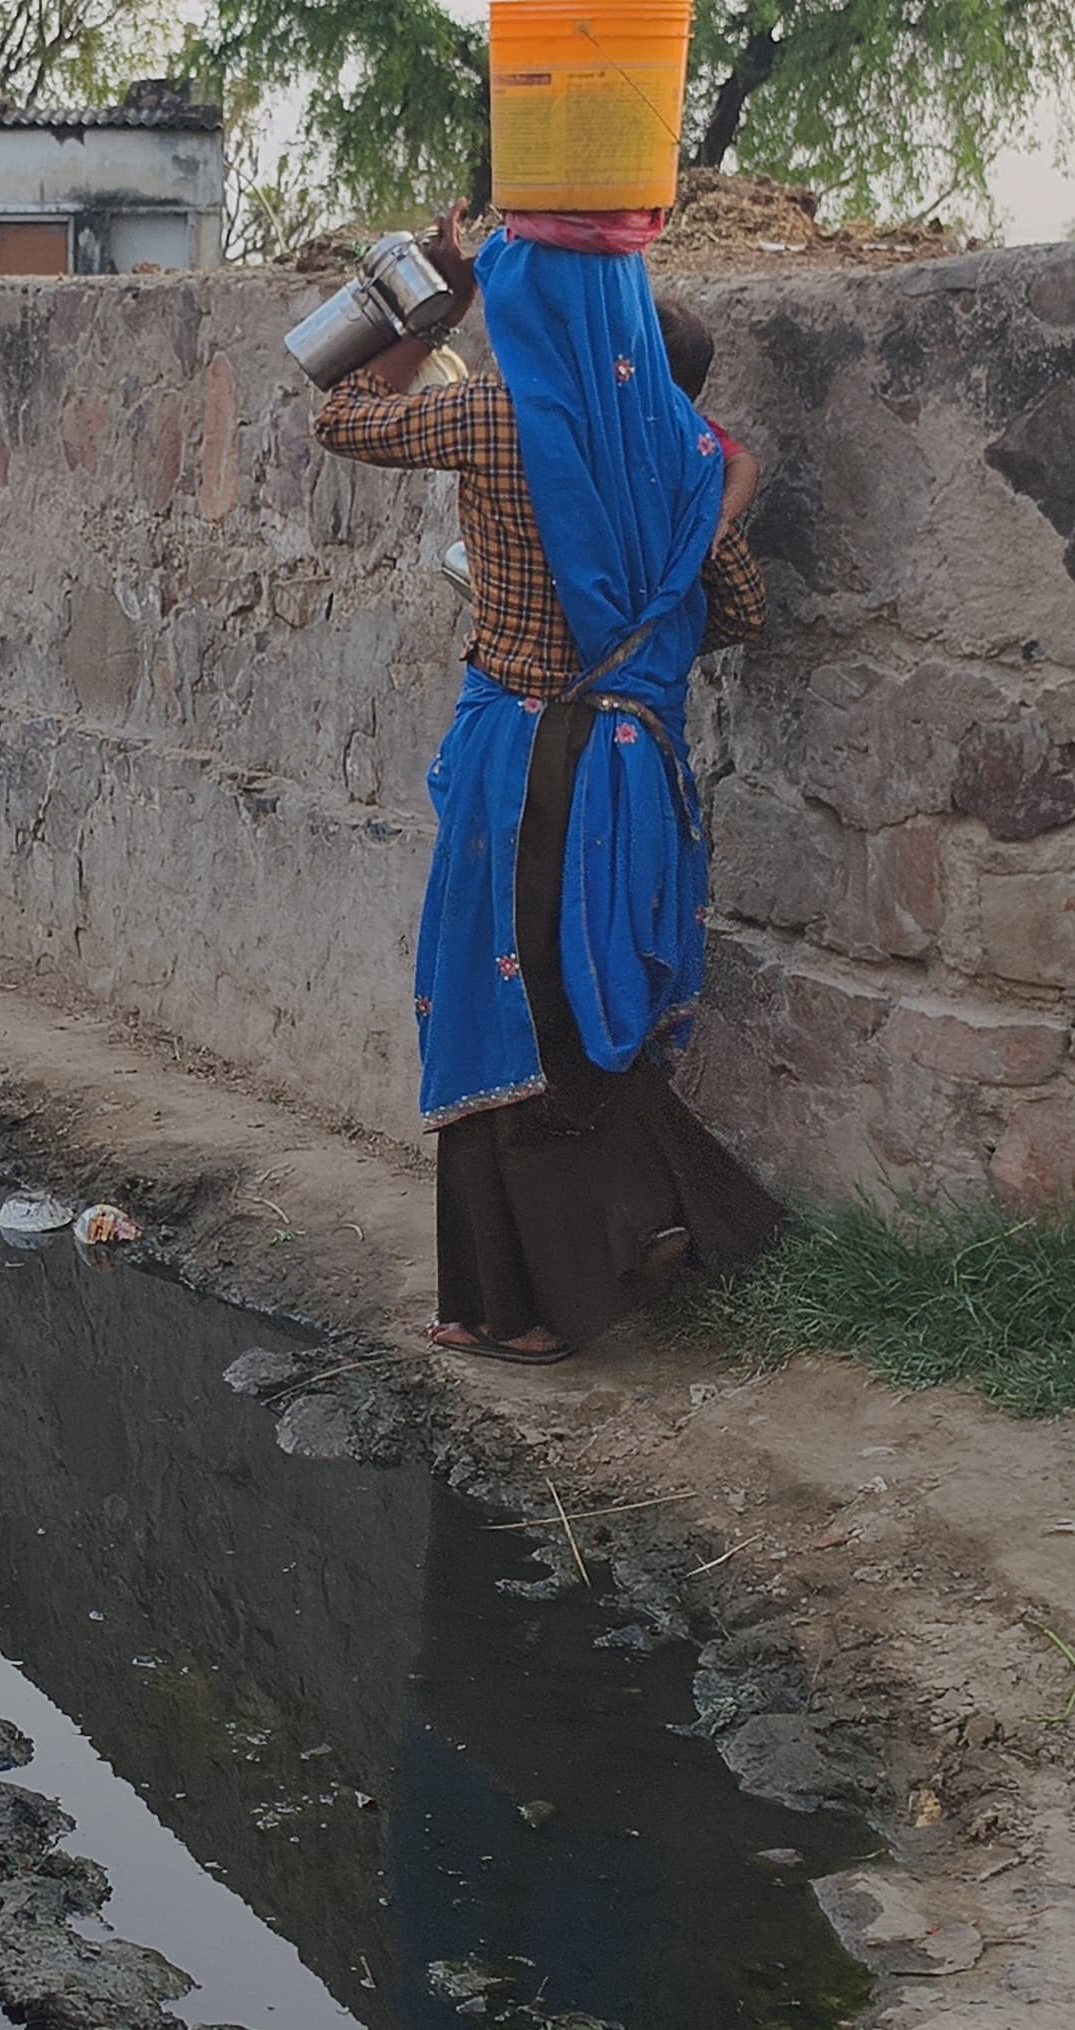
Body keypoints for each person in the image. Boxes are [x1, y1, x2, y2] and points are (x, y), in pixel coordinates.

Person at [315, 204, 783, 1364]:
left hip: (514, 762)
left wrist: (437, 299)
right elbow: (742, 612)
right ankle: (608, 1252)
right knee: (577, 1006)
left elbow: (337, 414)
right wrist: (670, 573)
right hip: (625, 771)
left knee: (491, 1004)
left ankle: (508, 1303)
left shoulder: (502, 411)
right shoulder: (681, 455)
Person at [654, 295, 761, 536]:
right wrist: (723, 514)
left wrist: (720, 515)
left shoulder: (695, 437)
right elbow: (744, 463)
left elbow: (744, 464)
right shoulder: (697, 435)